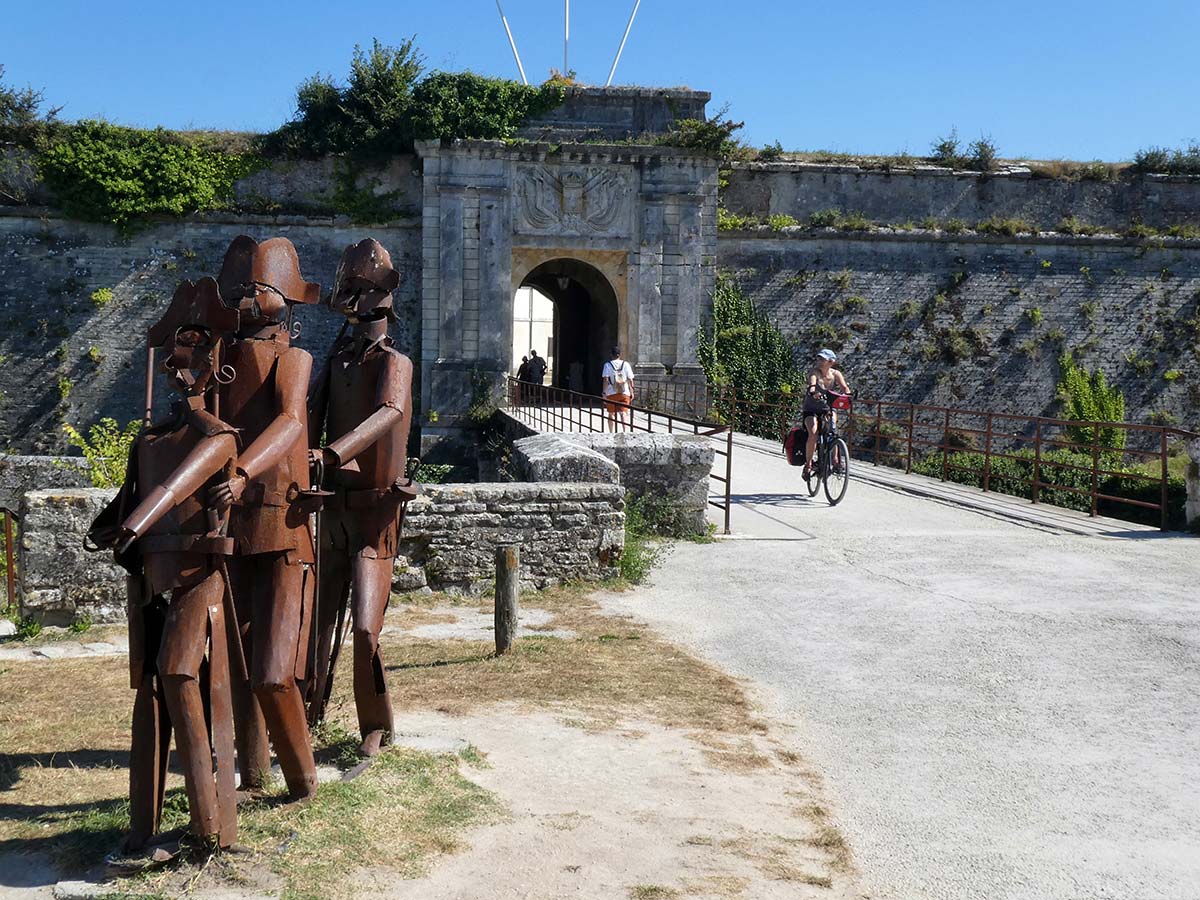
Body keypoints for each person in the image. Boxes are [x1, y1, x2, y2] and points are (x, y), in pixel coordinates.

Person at [306, 238, 418, 757]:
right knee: (317, 616)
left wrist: (332, 452)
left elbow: (389, 414)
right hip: (333, 508)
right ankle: (308, 708)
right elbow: (307, 412)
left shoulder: (395, 363)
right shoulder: (338, 360)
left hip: (375, 511)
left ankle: (375, 725)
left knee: (367, 627)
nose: (347, 298)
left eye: (356, 289)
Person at [802, 348, 850, 479]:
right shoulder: (815, 372)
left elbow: (844, 388)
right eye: (819, 358)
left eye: (822, 359)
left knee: (832, 428)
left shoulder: (836, 374)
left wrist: (848, 395)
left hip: (828, 408)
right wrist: (813, 391)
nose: (819, 361)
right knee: (813, 431)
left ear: (831, 362)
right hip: (811, 409)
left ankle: (835, 461)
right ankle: (808, 464)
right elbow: (812, 383)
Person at [602, 346, 635, 432]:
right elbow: (630, 379)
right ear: (620, 355)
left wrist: (604, 393)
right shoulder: (626, 364)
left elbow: (605, 379)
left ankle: (611, 432)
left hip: (611, 392)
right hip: (624, 392)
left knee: (611, 414)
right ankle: (625, 431)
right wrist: (632, 392)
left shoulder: (607, 365)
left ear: (611, 355)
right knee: (623, 413)